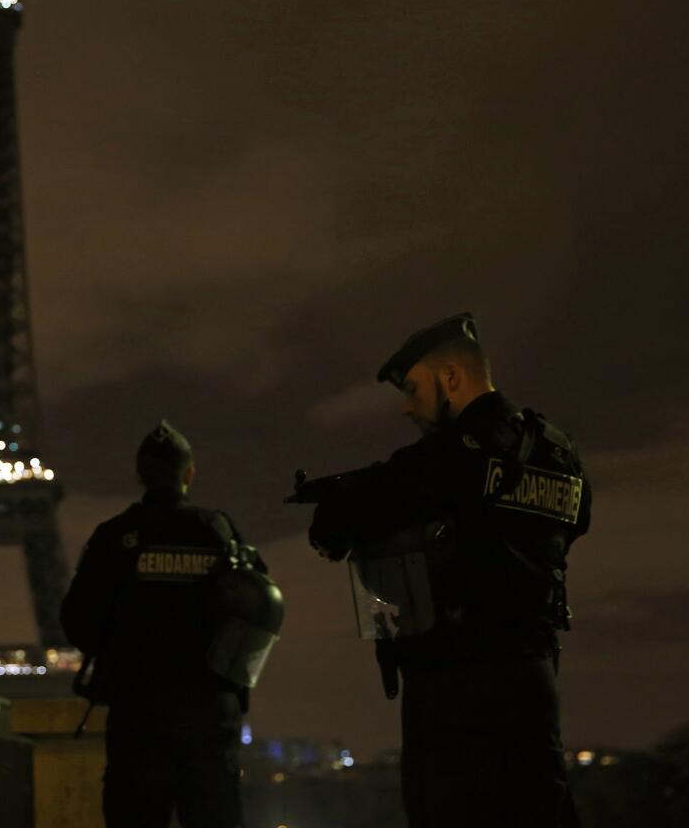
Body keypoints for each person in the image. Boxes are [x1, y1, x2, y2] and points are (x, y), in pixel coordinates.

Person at [304, 313, 591, 827]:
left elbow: (340, 519)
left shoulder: (449, 457)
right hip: (535, 680)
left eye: (413, 388)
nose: (407, 405)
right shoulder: (559, 453)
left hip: (455, 687)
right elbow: (576, 522)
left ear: (451, 378)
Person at [62, 420, 269, 828]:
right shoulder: (219, 533)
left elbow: (78, 623)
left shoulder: (114, 536)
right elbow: (261, 610)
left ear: (139, 475)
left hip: (137, 716)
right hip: (210, 714)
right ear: (189, 474)